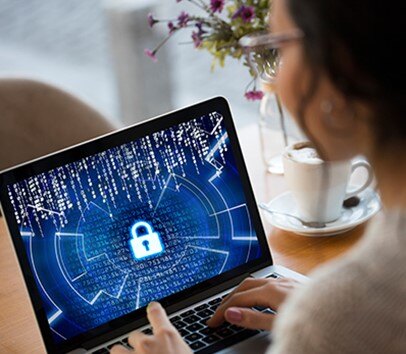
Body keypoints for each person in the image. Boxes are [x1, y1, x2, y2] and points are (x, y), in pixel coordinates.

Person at [111, 0, 406, 352]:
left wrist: (327, 316)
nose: (272, 83)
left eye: (278, 47)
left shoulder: (333, 322)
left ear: (341, 71)